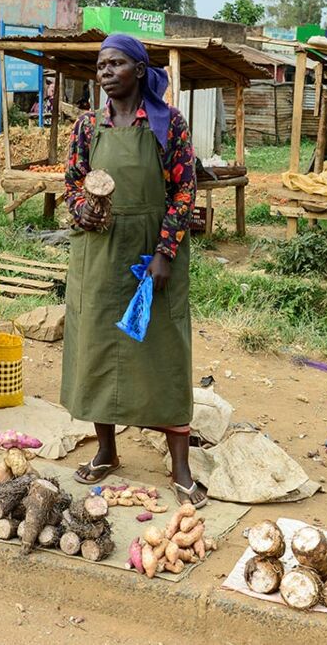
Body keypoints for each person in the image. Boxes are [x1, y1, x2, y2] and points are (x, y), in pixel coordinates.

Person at [60, 34, 202, 507]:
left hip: (149, 254)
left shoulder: (168, 125)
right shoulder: (86, 127)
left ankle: (180, 467)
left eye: (116, 63)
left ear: (139, 71)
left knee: (163, 349)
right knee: (98, 344)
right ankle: (106, 451)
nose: (104, 71)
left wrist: (165, 251)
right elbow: (73, 183)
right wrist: (84, 209)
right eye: (101, 65)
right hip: (98, 254)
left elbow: (185, 191)